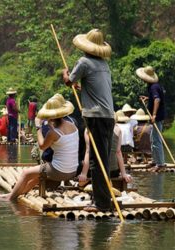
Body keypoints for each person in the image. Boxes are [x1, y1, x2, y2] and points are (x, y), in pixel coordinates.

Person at [62, 28, 114, 212]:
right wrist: (80, 86)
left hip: (96, 117)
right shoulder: (104, 65)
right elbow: (94, 87)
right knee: (104, 159)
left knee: (96, 160)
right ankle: (104, 198)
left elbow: (69, 82)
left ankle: (101, 204)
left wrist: (65, 75)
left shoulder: (84, 62)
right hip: (109, 116)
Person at [0, 94, 79, 200]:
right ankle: (15, 194)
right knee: (36, 177)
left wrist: (38, 127)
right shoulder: (73, 125)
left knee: (26, 173)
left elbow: (42, 146)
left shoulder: (53, 133)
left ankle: (10, 198)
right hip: (73, 170)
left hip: (59, 171)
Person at [80, 120, 133, 186]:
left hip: (95, 171)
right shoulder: (117, 129)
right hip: (112, 171)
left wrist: (84, 174)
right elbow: (118, 152)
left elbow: (88, 151)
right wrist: (123, 173)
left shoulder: (88, 129)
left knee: (81, 164)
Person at [136, 66, 166, 172]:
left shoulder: (153, 87)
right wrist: (147, 98)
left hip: (157, 117)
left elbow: (157, 99)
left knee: (156, 140)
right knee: (152, 139)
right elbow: (155, 97)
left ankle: (161, 164)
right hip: (156, 117)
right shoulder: (153, 86)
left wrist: (153, 115)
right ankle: (155, 161)